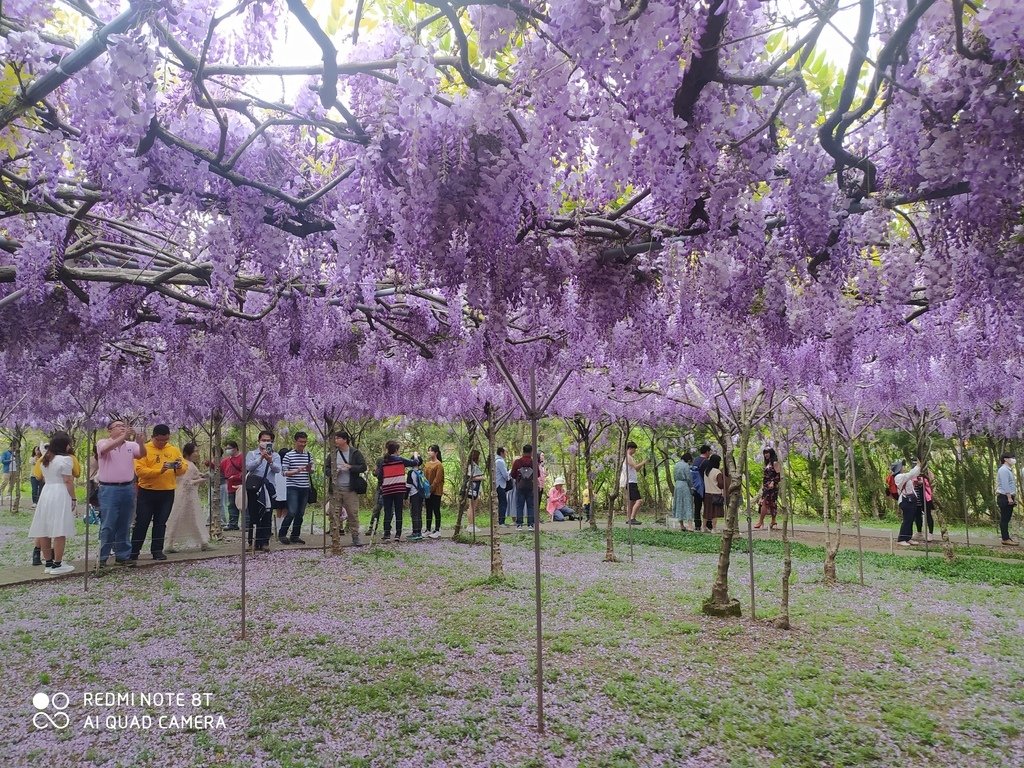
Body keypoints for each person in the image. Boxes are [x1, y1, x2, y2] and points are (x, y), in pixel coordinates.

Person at [132, 424, 187, 561]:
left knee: (161, 522)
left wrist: (179, 467)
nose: (162, 443)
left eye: (165, 440)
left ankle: (157, 550)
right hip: (147, 491)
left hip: (167, 492)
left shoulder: (173, 450)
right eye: (159, 440)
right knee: (142, 522)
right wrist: (159, 471)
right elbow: (140, 471)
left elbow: (182, 469)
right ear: (153, 437)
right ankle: (134, 551)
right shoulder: (144, 449)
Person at [95, 419, 145, 570]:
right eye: (119, 426)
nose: (123, 428)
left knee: (125, 523)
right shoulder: (103, 442)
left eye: (124, 426)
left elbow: (142, 454)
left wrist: (141, 442)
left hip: (128, 488)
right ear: (110, 430)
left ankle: (122, 556)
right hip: (109, 489)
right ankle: (102, 558)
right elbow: (105, 450)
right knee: (108, 524)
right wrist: (123, 437)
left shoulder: (130, 445)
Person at [28, 433, 77, 575]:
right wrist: (73, 498)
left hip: (46, 492)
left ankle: (48, 563)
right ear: (65, 444)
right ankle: (58, 563)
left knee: (45, 527)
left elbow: (41, 477)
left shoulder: (45, 459)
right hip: (60, 492)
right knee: (59, 528)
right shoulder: (66, 460)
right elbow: (68, 480)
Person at [164, 442, 209, 553]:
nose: (197, 454)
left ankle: (204, 541)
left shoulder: (190, 464)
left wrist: (202, 475)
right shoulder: (186, 464)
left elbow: (194, 476)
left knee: (194, 518)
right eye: (195, 451)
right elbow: (187, 483)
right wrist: (201, 480)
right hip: (185, 496)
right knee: (179, 518)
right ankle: (169, 543)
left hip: (189, 495)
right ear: (188, 453)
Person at [245, 430, 282, 552]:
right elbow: (248, 467)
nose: (266, 442)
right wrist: (260, 458)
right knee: (253, 514)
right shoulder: (252, 454)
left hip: (269, 488)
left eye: (268, 441)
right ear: (259, 441)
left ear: (272, 442)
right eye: (263, 440)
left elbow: (277, 470)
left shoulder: (275, 456)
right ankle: (252, 542)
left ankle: (264, 542)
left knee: (267, 514)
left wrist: (270, 460)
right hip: (254, 488)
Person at [376, 440, 419, 542]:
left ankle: (386, 534)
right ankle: (398, 534)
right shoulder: (400, 460)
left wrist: (383, 484)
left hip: (387, 489)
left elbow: (379, 476)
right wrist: (416, 455)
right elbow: (415, 463)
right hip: (399, 489)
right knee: (398, 511)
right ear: (396, 450)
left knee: (387, 511)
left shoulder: (384, 461)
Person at [333, 431, 368, 547]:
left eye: (338, 438)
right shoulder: (333, 453)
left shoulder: (355, 453)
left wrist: (351, 467)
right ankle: (335, 537)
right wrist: (333, 472)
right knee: (334, 514)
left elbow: (363, 467)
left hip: (350, 489)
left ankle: (355, 537)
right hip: (336, 489)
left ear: (345, 440)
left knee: (353, 514)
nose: (335, 440)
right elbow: (326, 468)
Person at [279, 432, 313, 545]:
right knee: (292, 511)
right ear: (295, 442)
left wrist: (310, 470)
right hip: (292, 487)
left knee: (300, 513)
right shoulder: (289, 455)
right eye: (300, 442)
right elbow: (284, 472)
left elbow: (311, 470)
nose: (303, 444)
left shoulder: (308, 455)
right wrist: (296, 470)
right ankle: (282, 534)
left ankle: (295, 535)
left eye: (304, 442)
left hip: (305, 487)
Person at [893, 459, 923, 547]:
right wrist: (918, 466)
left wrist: (918, 467)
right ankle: (901, 539)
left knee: (910, 520)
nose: (903, 467)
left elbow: (913, 475)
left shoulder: (903, 476)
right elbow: (911, 474)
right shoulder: (898, 477)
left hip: (911, 500)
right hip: (906, 501)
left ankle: (908, 537)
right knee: (907, 520)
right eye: (902, 466)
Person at [511, 444, 537, 531]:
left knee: (519, 506)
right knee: (530, 506)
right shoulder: (533, 462)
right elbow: (538, 474)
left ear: (523, 451)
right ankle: (530, 525)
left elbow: (512, 474)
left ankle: (519, 525)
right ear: (531, 452)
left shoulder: (517, 462)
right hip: (530, 486)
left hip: (520, 486)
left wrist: (519, 479)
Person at [755, 448, 782, 530]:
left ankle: (760, 521)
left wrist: (773, 482)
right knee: (770, 503)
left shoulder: (775, 463)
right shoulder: (767, 463)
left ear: (771, 453)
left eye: (767, 453)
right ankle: (773, 520)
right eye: (765, 453)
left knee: (765, 503)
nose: (766, 454)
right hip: (766, 486)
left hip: (772, 487)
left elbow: (778, 475)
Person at [220, 441, 243, 530]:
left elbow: (245, 472)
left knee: (243, 505)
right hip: (230, 486)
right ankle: (233, 524)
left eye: (229, 448)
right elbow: (219, 469)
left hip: (241, 486)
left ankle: (247, 524)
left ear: (236, 448)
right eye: (226, 449)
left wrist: (235, 477)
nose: (228, 450)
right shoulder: (225, 460)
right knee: (232, 505)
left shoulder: (242, 458)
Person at [423, 444, 445, 539]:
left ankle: (437, 529)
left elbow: (437, 479)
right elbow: (424, 477)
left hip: (436, 491)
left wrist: (431, 489)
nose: (429, 452)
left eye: (431, 450)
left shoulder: (439, 465)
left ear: (436, 452)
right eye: (428, 450)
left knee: (436, 509)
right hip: (427, 490)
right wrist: (425, 488)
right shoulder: (427, 464)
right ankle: (428, 529)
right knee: (428, 510)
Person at [997, 452, 1018, 546]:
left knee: (1006, 518)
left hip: (1008, 496)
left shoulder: (1008, 469)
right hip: (1005, 497)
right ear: (1005, 459)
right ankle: (1005, 539)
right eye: (1011, 457)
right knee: (1005, 519)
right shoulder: (1003, 470)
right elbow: (1005, 485)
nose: (1013, 459)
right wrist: (1009, 498)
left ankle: (1007, 537)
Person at [405, 454, 428, 541]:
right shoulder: (421, 472)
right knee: (419, 513)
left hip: (414, 494)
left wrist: (405, 496)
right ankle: (419, 532)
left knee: (414, 513)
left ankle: (415, 533)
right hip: (420, 495)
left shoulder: (411, 472)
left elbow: (408, 485)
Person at [622, 441, 645, 525]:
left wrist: (642, 464)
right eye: (634, 449)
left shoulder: (630, 457)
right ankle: (632, 518)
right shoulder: (628, 457)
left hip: (632, 482)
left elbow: (637, 469)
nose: (635, 451)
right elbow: (635, 467)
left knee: (631, 502)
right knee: (639, 501)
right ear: (630, 448)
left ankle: (629, 518)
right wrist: (643, 462)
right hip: (630, 482)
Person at [702, 454, 726, 531]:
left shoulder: (706, 471)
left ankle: (703, 527)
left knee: (706, 511)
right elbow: (721, 484)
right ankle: (714, 528)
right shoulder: (717, 472)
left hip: (707, 493)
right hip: (715, 494)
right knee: (714, 512)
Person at [672, 451, 695, 531]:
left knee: (679, 503)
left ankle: (681, 525)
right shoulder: (686, 466)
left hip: (677, 485)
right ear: (688, 460)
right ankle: (690, 526)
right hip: (684, 485)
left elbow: (674, 477)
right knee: (687, 503)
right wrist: (691, 487)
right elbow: (688, 478)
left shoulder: (676, 465)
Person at [463, 449, 485, 533]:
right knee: (472, 507)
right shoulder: (471, 466)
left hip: (476, 488)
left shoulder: (474, 465)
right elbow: (471, 477)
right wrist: (482, 478)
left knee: (473, 507)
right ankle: (470, 525)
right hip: (473, 488)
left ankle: (472, 524)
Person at [912, 470, 936, 542]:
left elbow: (932, 481)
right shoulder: (913, 471)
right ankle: (919, 532)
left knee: (928, 514)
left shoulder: (927, 471)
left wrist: (923, 481)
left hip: (926, 497)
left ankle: (930, 533)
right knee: (917, 515)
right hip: (916, 497)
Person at [691, 445, 711, 531]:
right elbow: (709, 474)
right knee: (707, 507)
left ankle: (697, 524)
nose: (710, 453)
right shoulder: (706, 462)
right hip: (705, 486)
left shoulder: (695, 460)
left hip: (696, 486)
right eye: (709, 452)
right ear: (707, 452)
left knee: (697, 506)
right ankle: (708, 524)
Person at [495, 447, 511, 526]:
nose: (506, 454)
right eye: (506, 452)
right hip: (500, 484)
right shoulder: (500, 461)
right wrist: (510, 472)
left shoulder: (496, 460)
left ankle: (500, 521)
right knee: (503, 503)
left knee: (501, 503)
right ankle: (501, 522)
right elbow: (505, 475)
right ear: (501, 452)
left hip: (498, 484)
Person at [0, 443, 17, 509]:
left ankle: (9, 493)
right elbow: (3, 461)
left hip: (15, 470)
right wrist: (10, 460)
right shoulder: (5, 453)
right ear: (10, 446)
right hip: (7, 470)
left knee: (12, 483)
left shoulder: (16, 454)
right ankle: (0, 492)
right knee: (5, 482)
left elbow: (19, 461)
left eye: (15, 447)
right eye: (13, 447)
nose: (14, 448)